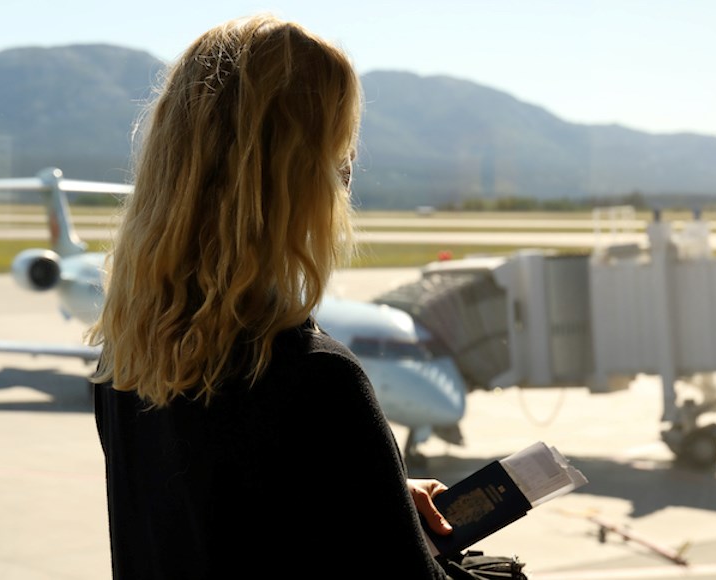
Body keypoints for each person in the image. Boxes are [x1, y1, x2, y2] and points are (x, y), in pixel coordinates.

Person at [86, 14, 456, 579]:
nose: (347, 176)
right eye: (339, 154)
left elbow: (212, 520)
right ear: (299, 179)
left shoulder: (128, 358)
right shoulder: (313, 378)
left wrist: (374, 496)